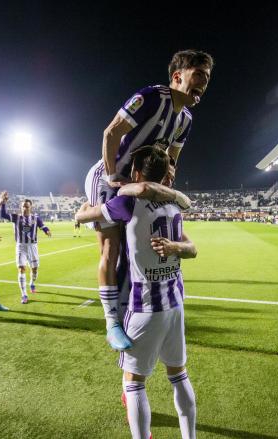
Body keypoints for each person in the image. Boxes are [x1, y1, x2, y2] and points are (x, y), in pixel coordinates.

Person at [83, 50, 212, 349]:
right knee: (111, 248)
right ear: (178, 76)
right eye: (198, 74)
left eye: (207, 77)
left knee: (134, 253)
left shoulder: (186, 120)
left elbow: (172, 160)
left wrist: (165, 185)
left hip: (139, 182)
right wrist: (114, 177)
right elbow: (111, 133)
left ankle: (129, 311)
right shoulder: (152, 97)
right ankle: (111, 321)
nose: (204, 82)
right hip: (108, 177)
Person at [76, 145, 198, 439]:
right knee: (179, 376)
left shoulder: (126, 203)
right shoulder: (173, 206)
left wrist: (80, 211)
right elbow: (190, 247)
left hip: (144, 306)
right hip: (175, 304)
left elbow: (87, 217)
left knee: (134, 384)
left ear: (136, 172)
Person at [0, 192, 52, 304]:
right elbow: (3, 215)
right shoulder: (16, 217)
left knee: (34, 269)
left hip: (33, 246)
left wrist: (47, 231)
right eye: (23, 206)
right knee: (21, 268)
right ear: (21, 207)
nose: (24, 208)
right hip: (21, 246)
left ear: (30, 207)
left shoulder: (36, 218)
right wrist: (3, 203)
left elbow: (43, 226)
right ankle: (24, 294)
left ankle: (32, 282)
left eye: (27, 206)